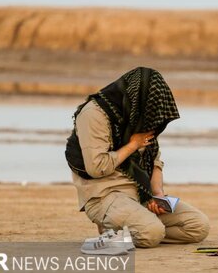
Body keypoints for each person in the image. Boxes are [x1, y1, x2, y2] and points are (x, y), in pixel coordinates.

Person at [65, 67, 210, 248]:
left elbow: (155, 159)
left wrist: (157, 194)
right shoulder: (94, 114)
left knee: (198, 226)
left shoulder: (139, 115)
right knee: (151, 234)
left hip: (142, 194)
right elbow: (97, 167)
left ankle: (130, 229)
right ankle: (114, 230)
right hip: (105, 196)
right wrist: (133, 145)